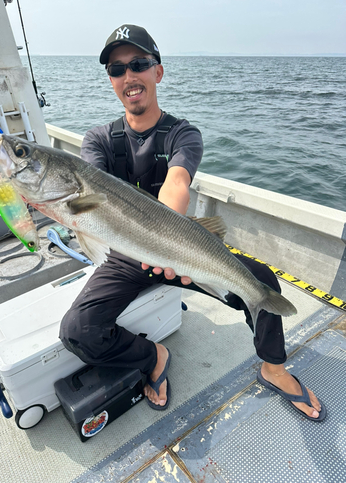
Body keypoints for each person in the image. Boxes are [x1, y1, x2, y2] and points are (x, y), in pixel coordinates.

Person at [59, 24, 325, 420]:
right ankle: (153, 356)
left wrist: (167, 246)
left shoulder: (182, 133)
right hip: (123, 253)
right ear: (111, 81)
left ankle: (274, 368)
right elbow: (87, 200)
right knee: (77, 331)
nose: (129, 76)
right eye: (117, 70)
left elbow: (177, 183)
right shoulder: (97, 140)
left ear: (157, 72)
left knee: (262, 282)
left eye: (138, 64)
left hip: (179, 248)